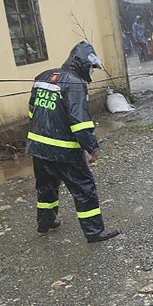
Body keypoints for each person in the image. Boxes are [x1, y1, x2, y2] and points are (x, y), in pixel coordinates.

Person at [27, 41, 121, 243]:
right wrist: (92, 148)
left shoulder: (43, 77)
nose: (91, 72)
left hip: (38, 148)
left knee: (46, 186)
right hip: (64, 151)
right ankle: (95, 232)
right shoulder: (75, 84)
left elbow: (31, 111)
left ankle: (45, 222)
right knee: (84, 189)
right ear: (82, 64)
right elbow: (80, 122)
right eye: (90, 67)